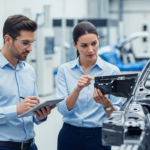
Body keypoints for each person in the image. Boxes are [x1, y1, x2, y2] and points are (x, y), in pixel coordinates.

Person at [56, 21, 122, 150]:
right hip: (69, 136)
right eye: (84, 45)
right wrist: (77, 89)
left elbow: (116, 118)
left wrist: (106, 104)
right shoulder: (64, 70)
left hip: (98, 137)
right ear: (74, 45)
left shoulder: (112, 72)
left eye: (94, 43)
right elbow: (63, 110)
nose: (90, 50)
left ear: (98, 40)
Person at [0, 14, 55, 150]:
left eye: (32, 43)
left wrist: (40, 115)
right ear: (8, 39)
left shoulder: (29, 70)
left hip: (31, 146)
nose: (30, 48)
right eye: (25, 43)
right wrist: (17, 110)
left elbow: (31, 113)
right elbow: (20, 109)